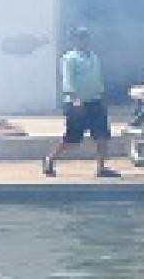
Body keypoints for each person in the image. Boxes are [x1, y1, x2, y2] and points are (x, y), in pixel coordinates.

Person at [43, 26, 119, 178]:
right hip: (77, 103)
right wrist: (75, 99)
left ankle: (101, 168)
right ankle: (50, 159)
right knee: (73, 138)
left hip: (95, 100)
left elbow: (97, 78)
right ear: (74, 40)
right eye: (79, 37)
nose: (83, 40)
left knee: (102, 135)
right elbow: (68, 80)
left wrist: (102, 95)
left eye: (85, 37)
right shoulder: (70, 58)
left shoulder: (94, 57)